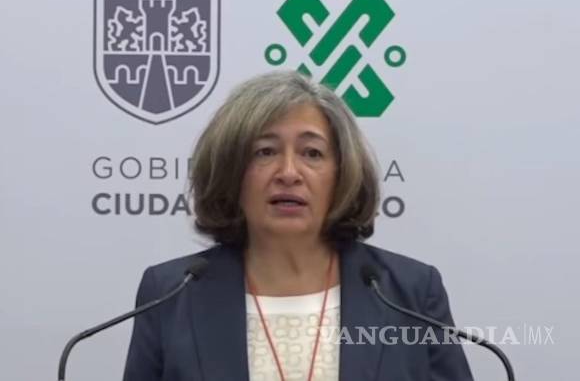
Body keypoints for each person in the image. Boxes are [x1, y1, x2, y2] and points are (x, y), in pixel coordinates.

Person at [123, 71, 473, 381]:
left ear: (342, 173)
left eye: (312, 153)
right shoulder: (171, 294)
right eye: (265, 152)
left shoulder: (409, 292)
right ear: (231, 172)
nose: (288, 173)